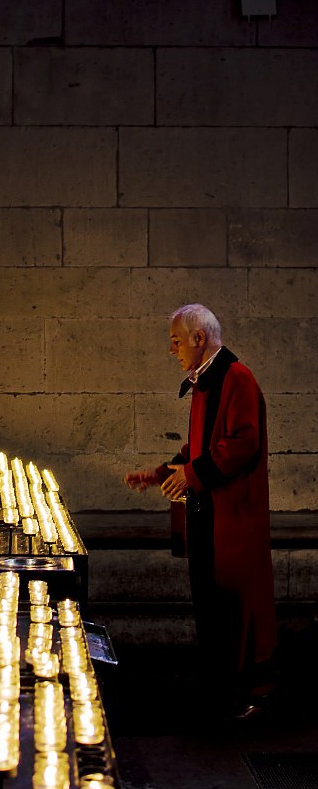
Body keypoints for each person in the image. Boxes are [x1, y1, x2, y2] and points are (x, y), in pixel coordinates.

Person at [124, 303, 277, 719]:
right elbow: (200, 448)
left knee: (238, 606)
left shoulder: (237, 378)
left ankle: (251, 695)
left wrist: (191, 475)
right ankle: (221, 692)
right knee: (214, 606)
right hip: (211, 515)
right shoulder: (207, 381)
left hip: (234, 519)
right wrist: (158, 473)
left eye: (175, 341)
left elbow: (241, 444)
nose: (171, 350)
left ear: (199, 338)